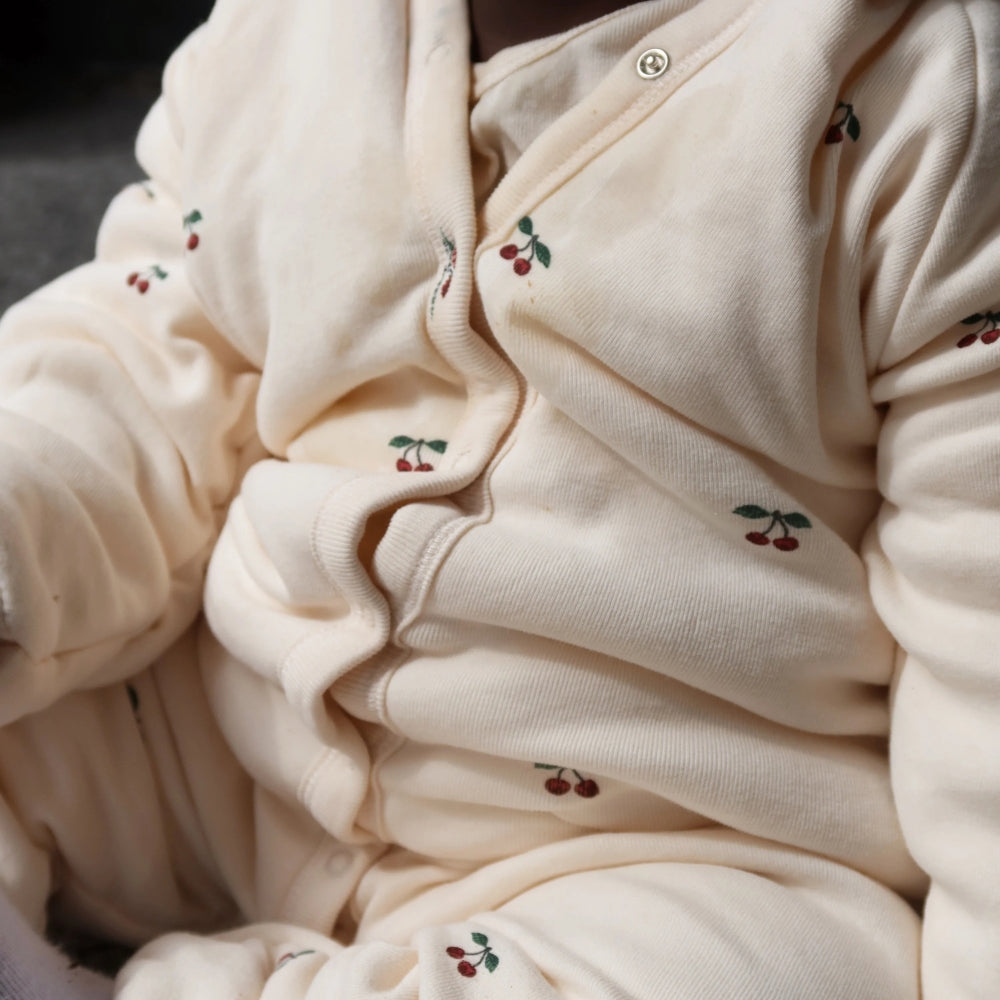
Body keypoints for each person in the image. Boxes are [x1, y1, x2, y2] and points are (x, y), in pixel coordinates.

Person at [0, 0, 997, 996]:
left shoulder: (930, 97)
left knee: (794, 975)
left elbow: (981, 626)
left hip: (665, 848)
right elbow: (145, 357)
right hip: (226, 744)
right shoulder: (276, 34)